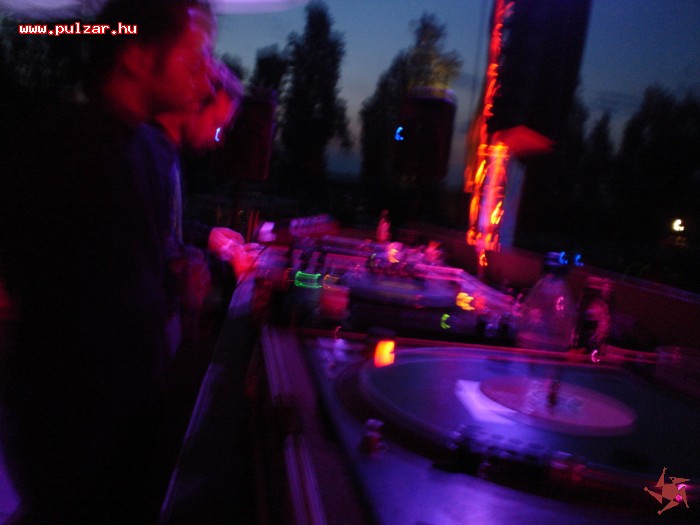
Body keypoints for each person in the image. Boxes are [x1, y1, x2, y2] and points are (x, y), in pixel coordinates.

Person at [0, 1, 217, 523]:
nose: (207, 76)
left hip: (103, 428)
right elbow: (95, 318)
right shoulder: (75, 148)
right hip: (82, 440)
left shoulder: (132, 143)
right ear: (137, 56)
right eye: (194, 57)